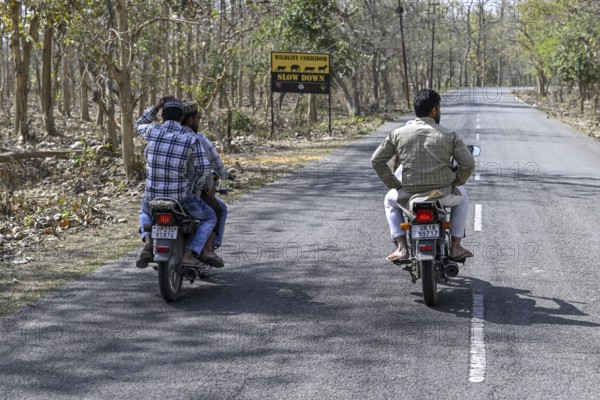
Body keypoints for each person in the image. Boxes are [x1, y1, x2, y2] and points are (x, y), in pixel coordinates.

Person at [371, 89, 475, 262]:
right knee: (462, 199)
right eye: (439, 108)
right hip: (443, 195)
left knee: (389, 201)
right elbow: (468, 164)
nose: (439, 112)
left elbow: (376, 161)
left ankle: (402, 248)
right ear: (434, 110)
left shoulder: (398, 134)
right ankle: (456, 247)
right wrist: (456, 182)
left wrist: (395, 184)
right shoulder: (449, 135)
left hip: (409, 195)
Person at [135, 96, 222, 269]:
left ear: (163, 116)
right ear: (183, 119)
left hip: (152, 195)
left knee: (144, 211)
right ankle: (190, 254)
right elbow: (204, 169)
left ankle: (148, 241)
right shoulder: (191, 139)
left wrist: (155, 106)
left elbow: (138, 124)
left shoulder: (152, 130)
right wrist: (195, 187)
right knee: (210, 217)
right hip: (180, 197)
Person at [180, 100, 230, 255]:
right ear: (190, 120)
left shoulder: (162, 136)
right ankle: (207, 248)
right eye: (197, 119)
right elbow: (213, 164)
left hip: (160, 192)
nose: (198, 122)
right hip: (191, 193)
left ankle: (149, 244)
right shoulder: (197, 139)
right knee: (219, 211)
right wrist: (223, 176)